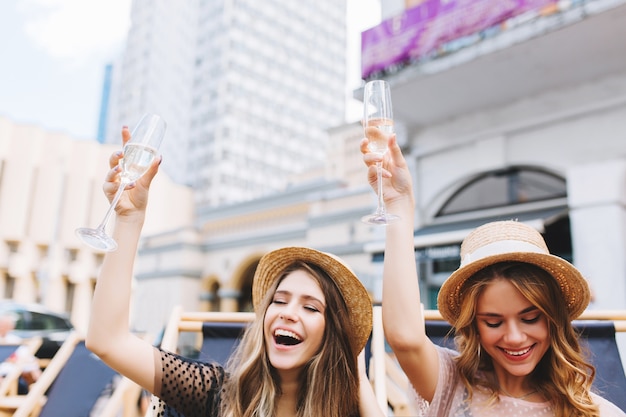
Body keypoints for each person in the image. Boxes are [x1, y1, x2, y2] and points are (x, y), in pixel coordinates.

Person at [85, 126, 384, 417]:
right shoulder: (214, 392)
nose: (287, 312)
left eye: (310, 307)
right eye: (278, 301)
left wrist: (357, 372)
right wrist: (128, 218)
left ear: (333, 332)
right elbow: (107, 340)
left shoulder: (346, 410)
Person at [361, 133, 626, 417]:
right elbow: (405, 338)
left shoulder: (597, 413)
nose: (514, 337)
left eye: (530, 318)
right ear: (474, 325)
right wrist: (399, 204)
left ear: (554, 318)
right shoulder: (453, 384)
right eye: (493, 322)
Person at [0, 312, 42, 393]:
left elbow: (28, 358)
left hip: (16, 372)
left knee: (33, 371)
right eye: (2, 324)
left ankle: (40, 393)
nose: (3, 327)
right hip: (5, 373)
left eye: (7, 325)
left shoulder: (16, 340)